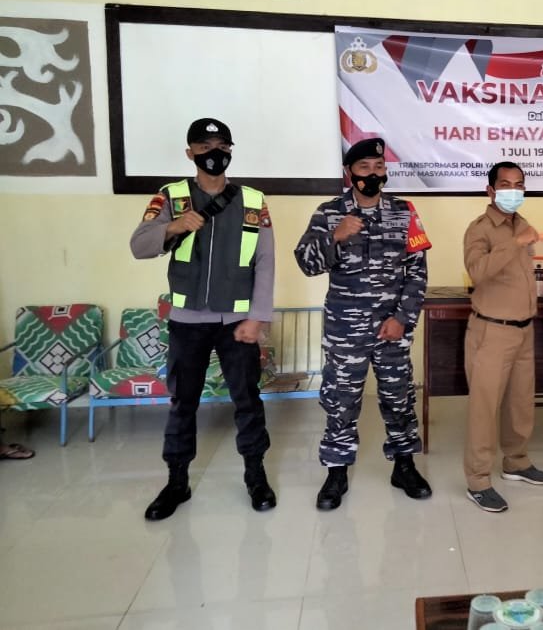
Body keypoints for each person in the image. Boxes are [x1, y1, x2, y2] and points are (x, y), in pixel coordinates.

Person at [131, 117, 276, 520]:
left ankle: (255, 475)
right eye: (205, 146)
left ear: (230, 150)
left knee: (247, 400)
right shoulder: (171, 196)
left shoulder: (253, 200)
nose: (215, 153)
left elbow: (265, 262)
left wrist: (258, 317)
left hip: (237, 322)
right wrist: (174, 226)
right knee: (183, 403)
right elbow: (139, 246)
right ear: (190, 152)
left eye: (222, 146)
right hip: (188, 321)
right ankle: (177, 482)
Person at [295, 137, 432, 510]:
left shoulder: (404, 212)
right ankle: (336, 471)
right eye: (364, 167)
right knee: (341, 400)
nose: (373, 174)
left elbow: (417, 272)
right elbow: (306, 264)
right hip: (345, 329)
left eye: (379, 167)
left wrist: (402, 319)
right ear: (349, 173)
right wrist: (335, 237)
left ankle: (404, 466)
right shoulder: (328, 212)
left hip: (392, 329)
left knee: (399, 397)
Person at [462, 162, 543, 513]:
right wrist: (514, 244)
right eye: (505, 184)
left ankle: (516, 461)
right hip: (492, 330)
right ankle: (478, 480)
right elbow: (478, 271)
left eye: (519, 184)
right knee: (484, 409)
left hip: (523, 329)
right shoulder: (480, 229)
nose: (513, 190)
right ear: (490, 190)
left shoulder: (522, 224)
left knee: (520, 403)